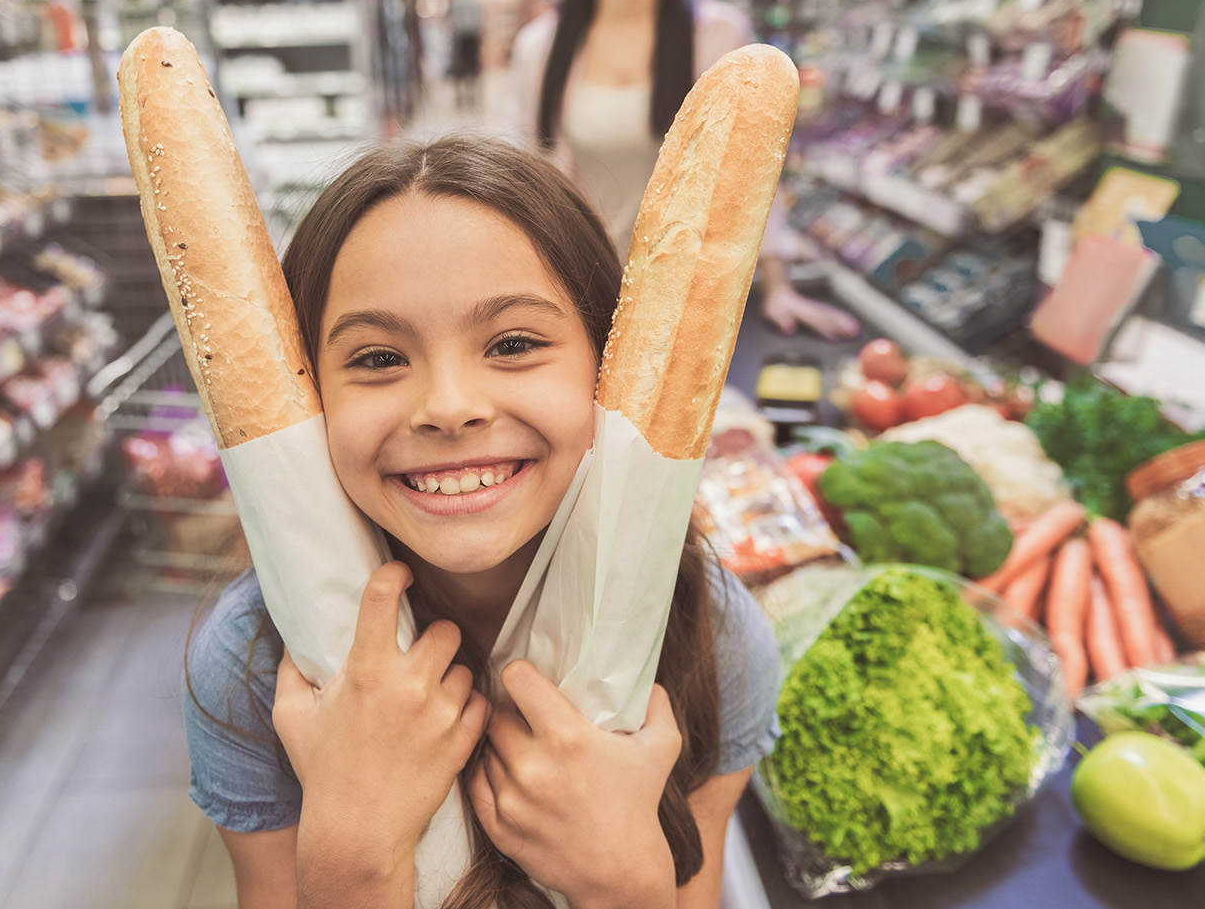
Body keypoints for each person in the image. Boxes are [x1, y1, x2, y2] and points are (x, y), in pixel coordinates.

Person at [183, 136, 782, 909]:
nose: (449, 406)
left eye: (513, 343)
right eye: (376, 358)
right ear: (308, 398)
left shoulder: (711, 631)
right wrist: (352, 850)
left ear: (611, 365)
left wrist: (626, 882)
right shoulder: (252, 662)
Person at [510, 0, 859, 341]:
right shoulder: (541, 48)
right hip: (582, 303)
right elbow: (526, 186)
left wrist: (778, 285)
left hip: (689, 314)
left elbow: (750, 172)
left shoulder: (716, 34)